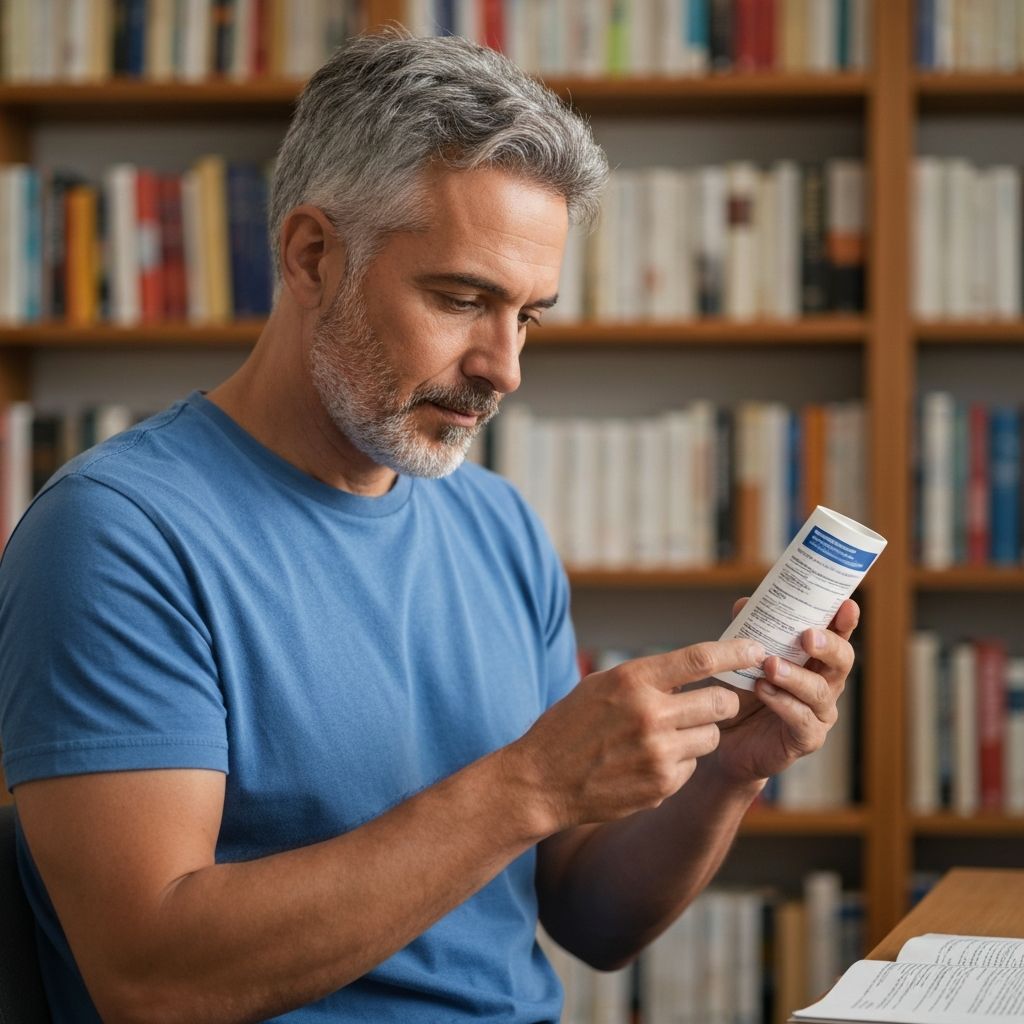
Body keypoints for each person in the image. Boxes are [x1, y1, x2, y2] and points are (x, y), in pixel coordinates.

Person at [0, 30, 858, 1024]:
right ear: (313, 254)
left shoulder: (496, 524)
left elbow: (589, 919)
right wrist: (526, 784)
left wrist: (723, 775)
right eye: (462, 299)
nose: (505, 367)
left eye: (528, 316)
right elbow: (151, 976)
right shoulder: (115, 536)